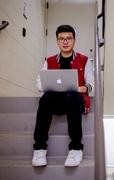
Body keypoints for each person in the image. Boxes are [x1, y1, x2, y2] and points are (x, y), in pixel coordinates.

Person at [32, 25, 94, 167]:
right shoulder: (50, 61)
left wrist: (78, 88)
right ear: (57, 41)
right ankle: (40, 149)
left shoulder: (84, 61)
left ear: (74, 40)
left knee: (72, 96)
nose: (65, 42)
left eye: (68, 38)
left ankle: (76, 148)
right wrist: (49, 86)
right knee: (46, 98)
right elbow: (39, 84)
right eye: (61, 39)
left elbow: (91, 84)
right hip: (55, 101)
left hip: (74, 101)